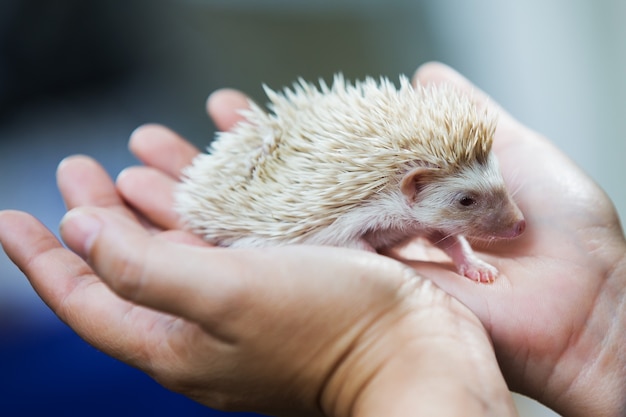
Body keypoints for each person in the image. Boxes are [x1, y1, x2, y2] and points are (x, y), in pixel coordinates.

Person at [1, 62, 625, 417]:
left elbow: (442, 235)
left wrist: (460, 260)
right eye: (468, 202)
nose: (510, 222)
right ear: (411, 188)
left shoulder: (429, 199)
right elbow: (342, 243)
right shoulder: (355, 206)